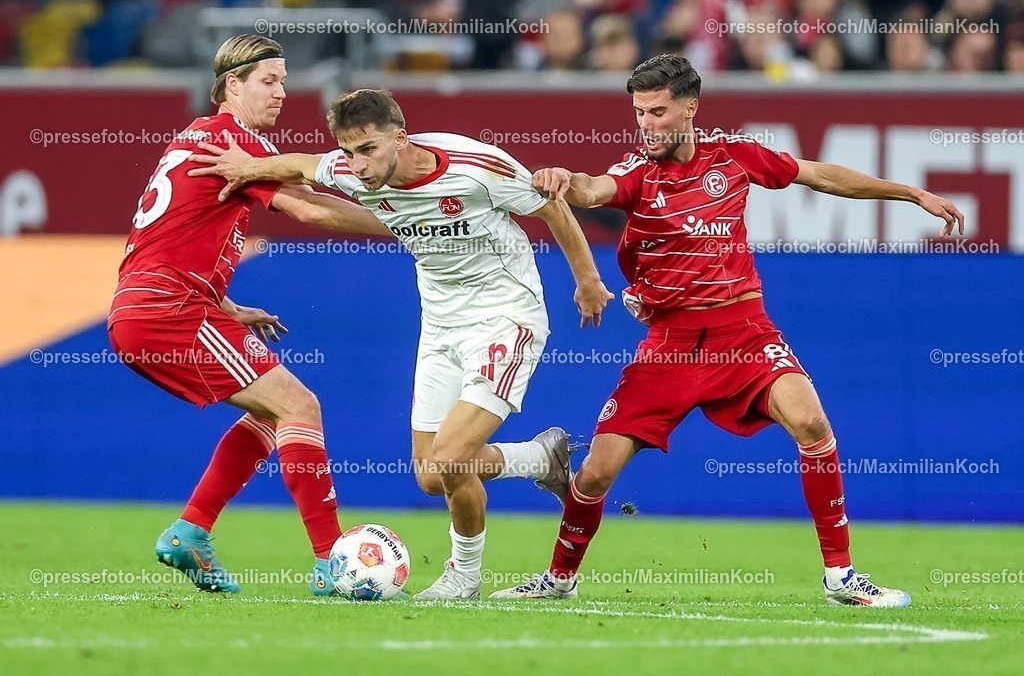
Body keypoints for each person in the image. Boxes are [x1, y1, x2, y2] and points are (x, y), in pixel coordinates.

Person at [491, 54, 964, 607]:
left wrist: (910, 193)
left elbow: (822, 174)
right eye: (639, 112)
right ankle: (559, 578)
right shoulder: (637, 173)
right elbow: (594, 190)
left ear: (691, 108)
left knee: (812, 422)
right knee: (595, 473)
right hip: (670, 348)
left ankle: (842, 577)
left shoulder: (734, 157)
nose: (646, 124)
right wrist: (561, 179)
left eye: (659, 111)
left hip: (744, 334)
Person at [188, 89, 615, 600]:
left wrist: (587, 280)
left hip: (506, 319)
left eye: (367, 149)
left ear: (400, 138)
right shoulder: (351, 171)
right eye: (347, 151)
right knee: (432, 478)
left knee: (451, 458)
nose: (356, 165)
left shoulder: (476, 166)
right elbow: (303, 165)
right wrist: (249, 165)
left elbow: (551, 206)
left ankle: (463, 575)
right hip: (440, 328)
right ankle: (538, 459)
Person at [108, 34, 393, 596]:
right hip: (171, 310)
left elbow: (165, 240)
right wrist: (409, 227)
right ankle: (332, 563)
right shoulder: (232, 142)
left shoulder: (200, 139)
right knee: (300, 406)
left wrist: (228, 305)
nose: (282, 92)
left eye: (285, 80)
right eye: (269, 80)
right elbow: (310, 205)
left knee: (273, 414)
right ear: (231, 84)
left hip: (149, 306)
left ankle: (192, 530)